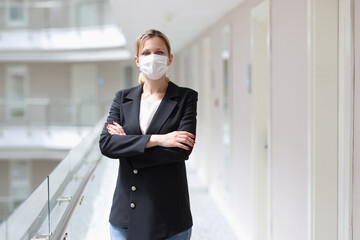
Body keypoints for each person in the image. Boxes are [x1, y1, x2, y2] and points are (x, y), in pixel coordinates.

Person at [99, 29, 198, 240]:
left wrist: (127, 145)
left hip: (169, 216)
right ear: (137, 60)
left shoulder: (185, 98)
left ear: (169, 58)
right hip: (125, 215)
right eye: (146, 53)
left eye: (159, 52)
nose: (152, 57)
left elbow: (181, 150)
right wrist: (158, 140)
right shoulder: (122, 98)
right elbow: (107, 144)